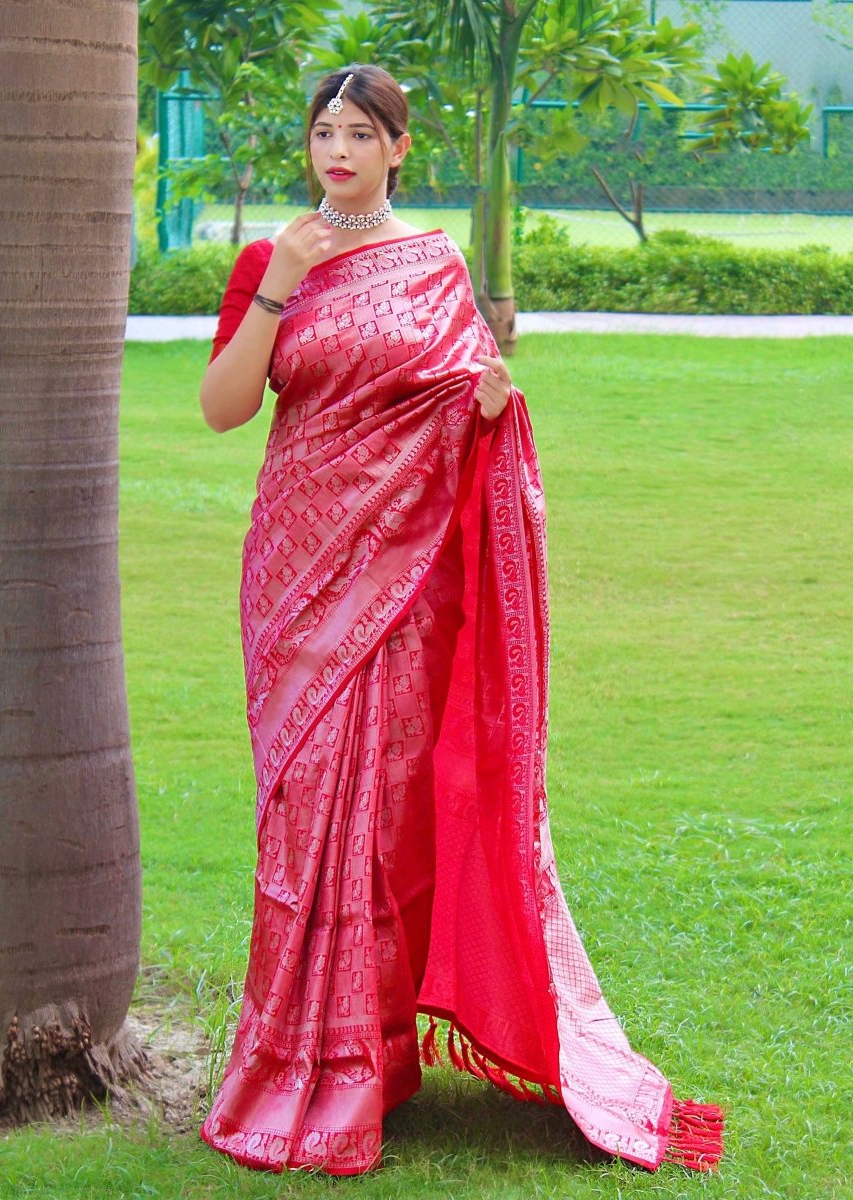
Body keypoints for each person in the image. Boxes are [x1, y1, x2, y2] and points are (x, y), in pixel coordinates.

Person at [197, 64, 724, 1177]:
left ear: (399, 147)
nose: (335, 151)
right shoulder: (271, 258)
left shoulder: (433, 265)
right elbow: (225, 408)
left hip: (403, 585)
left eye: (360, 133)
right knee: (301, 817)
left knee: (385, 821)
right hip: (297, 579)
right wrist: (281, 284)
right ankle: (298, 1054)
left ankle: (371, 1058)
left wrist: (493, 410)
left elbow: (468, 403)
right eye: (322, 132)